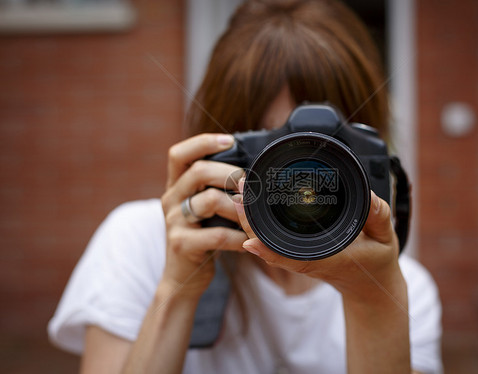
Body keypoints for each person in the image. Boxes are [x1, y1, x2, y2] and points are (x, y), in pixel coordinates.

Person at [48, 0, 443, 373]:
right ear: (220, 151)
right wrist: (176, 289)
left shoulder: (405, 287)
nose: (302, 184)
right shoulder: (143, 242)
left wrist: (373, 297)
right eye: (273, 153)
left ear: (369, 158)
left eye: (328, 153)